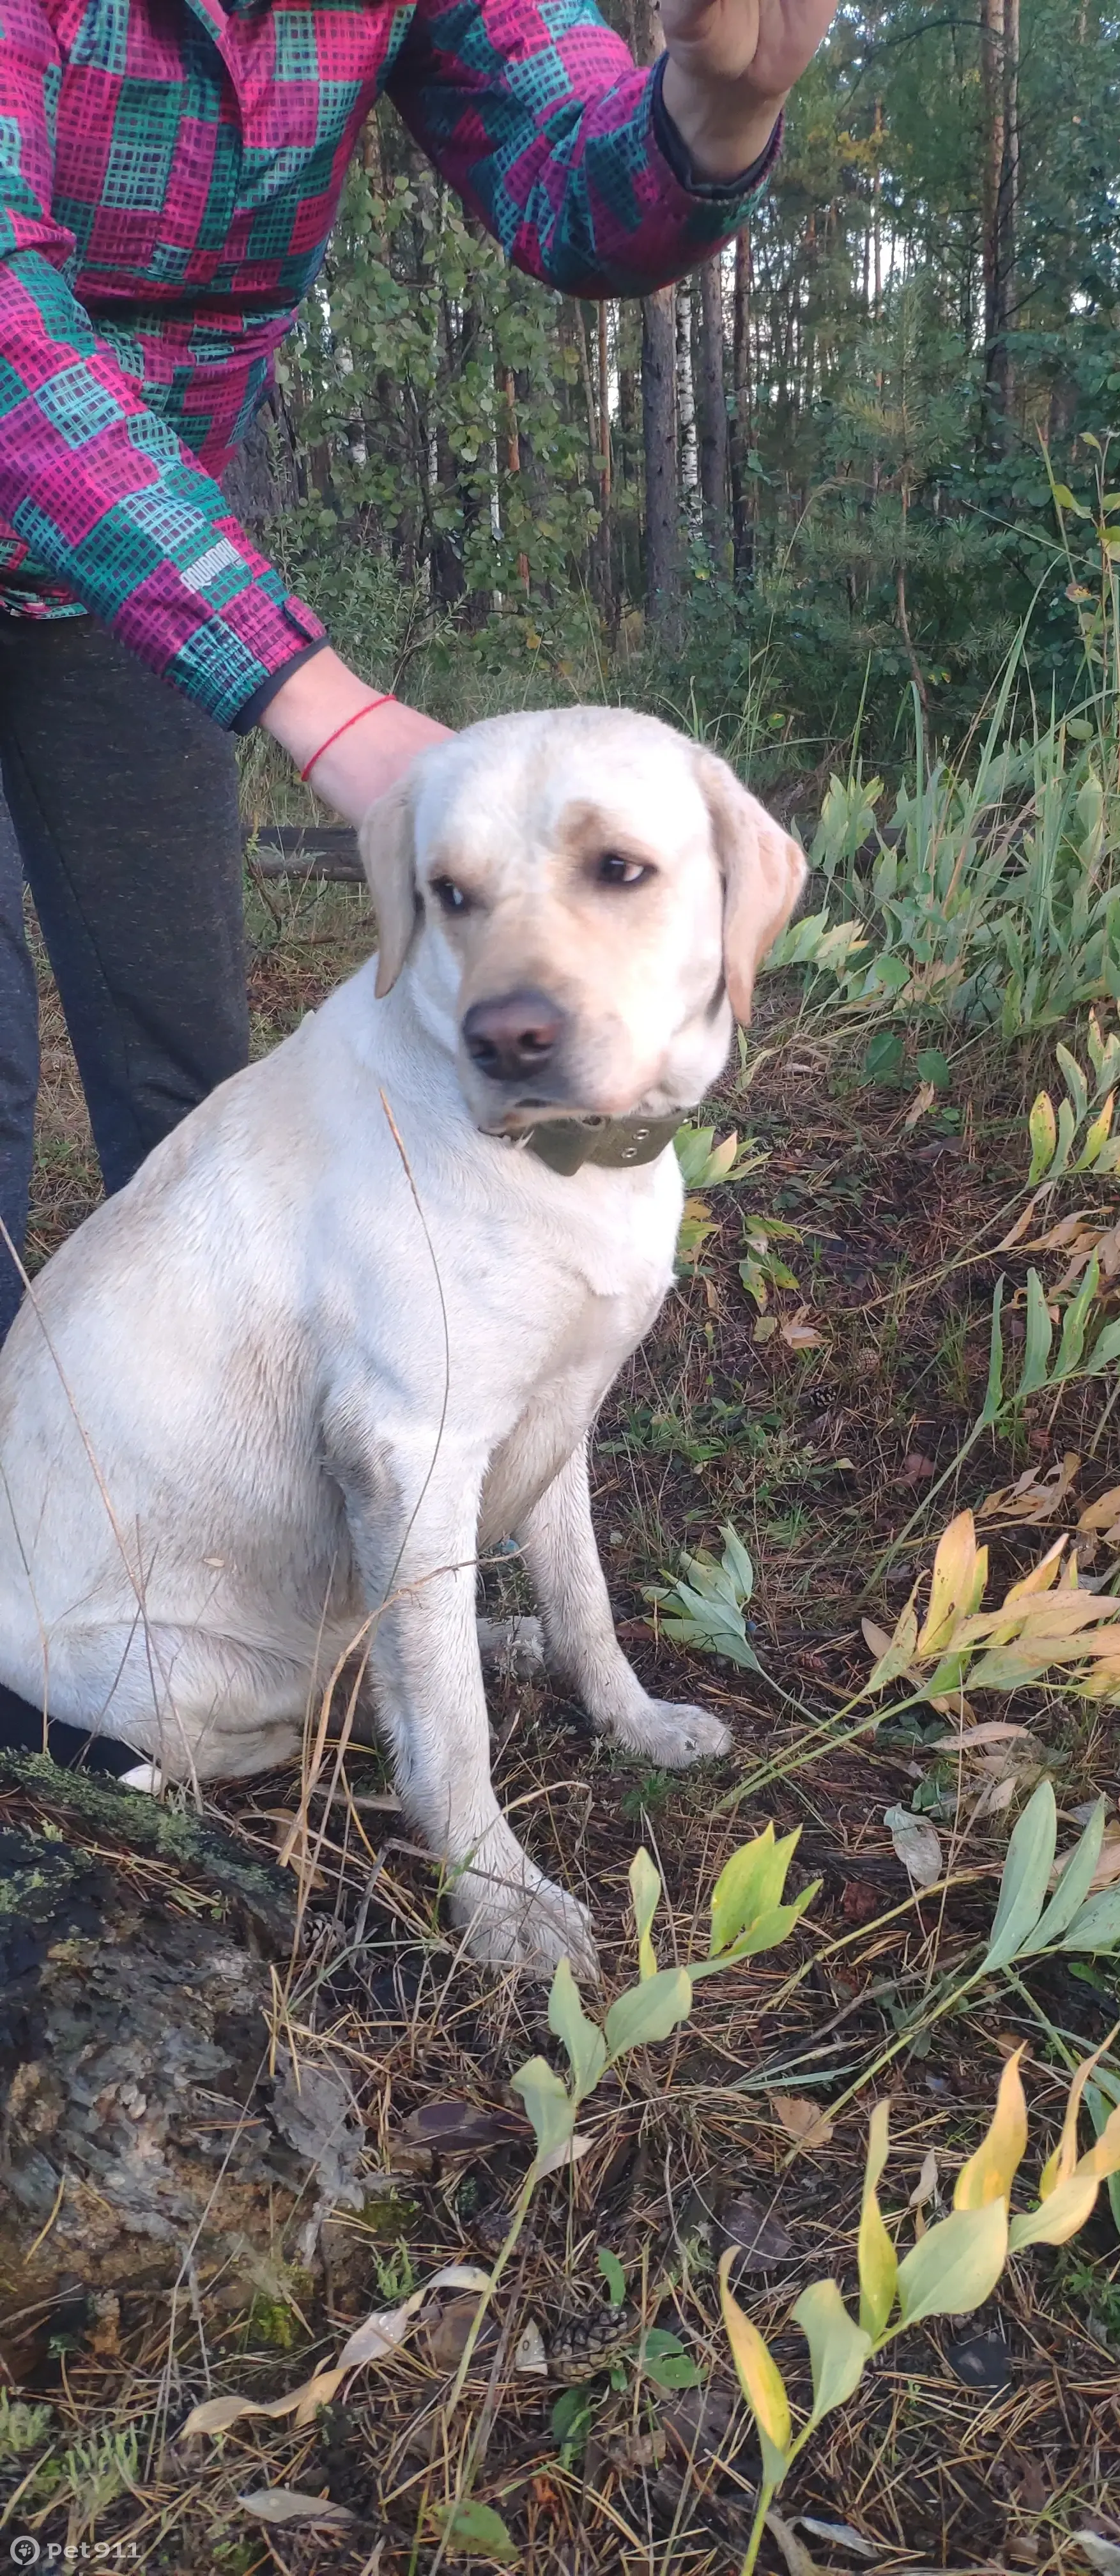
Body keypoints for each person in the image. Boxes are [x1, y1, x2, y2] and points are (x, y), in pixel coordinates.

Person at [0, 0, 834, 1768]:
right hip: (132, 524)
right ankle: (53, 1653)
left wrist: (711, 109)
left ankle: (263, 1552)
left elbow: (569, 182)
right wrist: (320, 701)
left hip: (135, 575)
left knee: (192, 1076)